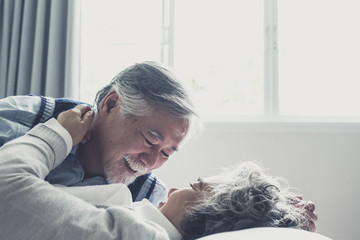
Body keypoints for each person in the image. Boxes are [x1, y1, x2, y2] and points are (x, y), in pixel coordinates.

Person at [0, 106, 317, 240]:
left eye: (196, 184)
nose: (175, 188)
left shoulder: (138, 234)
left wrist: (57, 134)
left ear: (207, 210)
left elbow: (5, 189)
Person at [0, 61, 197, 207]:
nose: (151, 162)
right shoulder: (19, 119)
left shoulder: (149, 198)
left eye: (166, 154)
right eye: (150, 140)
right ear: (111, 104)